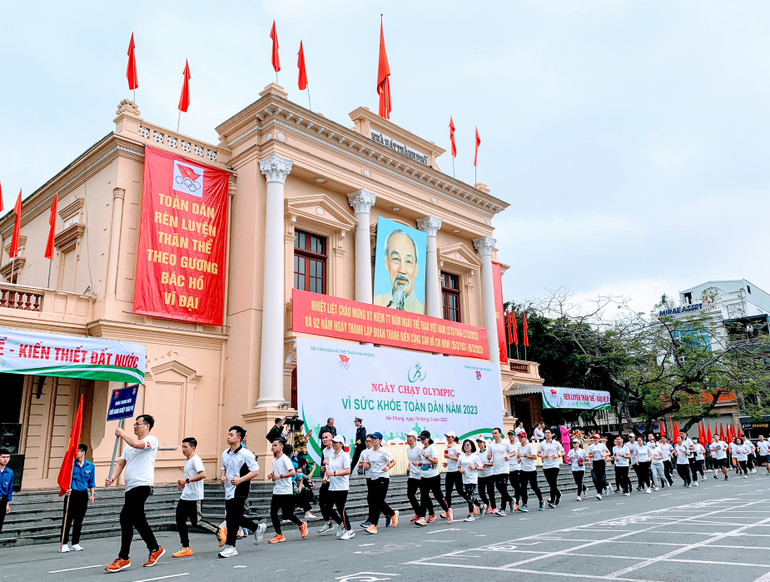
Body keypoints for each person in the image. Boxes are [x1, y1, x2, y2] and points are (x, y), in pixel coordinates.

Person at [104, 414, 164, 573]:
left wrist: (122, 434)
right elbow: (121, 462)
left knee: (125, 517)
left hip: (142, 485)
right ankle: (155, 548)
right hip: (130, 487)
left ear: (147, 426)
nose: (135, 427)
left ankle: (123, 557)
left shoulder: (151, 440)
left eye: (138, 424)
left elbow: (138, 444)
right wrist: (113, 477)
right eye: (134, 425)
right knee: (138, 520)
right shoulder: (129, 446)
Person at [218, 425, 265, 558]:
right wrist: (223, 477)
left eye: (231, 435)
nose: (228, 436)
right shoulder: (225, 453)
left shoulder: (246, 454)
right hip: (228, 489)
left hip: (241, 489)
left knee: (232, 518)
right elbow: (224, 468)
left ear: (239, 438)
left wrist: (240, 480)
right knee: (233, 517)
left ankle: (231, 546)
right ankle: (257, 528)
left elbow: (255, 471)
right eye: (228, 434)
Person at [171, 437, 219, 558]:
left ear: (193, 448)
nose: (183, 449)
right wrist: (183, 485)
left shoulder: (195, 460)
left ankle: (218, 531)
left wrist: (186, 480)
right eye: (182, 447)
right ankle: (186, 547)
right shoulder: (188, 461)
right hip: (186, 495)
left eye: (185, 447)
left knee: (196, 522)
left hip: (195, 496)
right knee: (180, 520)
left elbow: (203, 474)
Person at [373, 229, 424, 313]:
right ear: (386, 262)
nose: (402, 270)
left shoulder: (423, 312)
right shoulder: (376, 302)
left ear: (416, 269)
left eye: (408, 261)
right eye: (396, 259)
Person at [267, 439, 308, 543]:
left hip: (286, 490)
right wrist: (272, 476)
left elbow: (292, 473)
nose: (273, 447)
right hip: (277, 490)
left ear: (281, 447)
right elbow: (277, 474)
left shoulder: (285, 459)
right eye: (272, 445)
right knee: (273, 513)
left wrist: (280, 476)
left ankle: (301, 524)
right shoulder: (274, 460)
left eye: (275, 445)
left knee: (288, 514)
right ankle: (279, 535)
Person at [60, 444, 96, 552]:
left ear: (83, 452)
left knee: (79, 520)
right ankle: (64, 543)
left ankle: (75, 542)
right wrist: (65, 489)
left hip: (83, 494)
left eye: (78, 451)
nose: (76, 453)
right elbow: (64, 479)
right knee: (67, 519)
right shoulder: (70, 465)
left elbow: (91, 481)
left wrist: (92, 494)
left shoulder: (90, 465)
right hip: (72, 494)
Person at [360, 432, 397, 534]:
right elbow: (367, 463)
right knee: (372, 500)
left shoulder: (383, 452)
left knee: (377, 501)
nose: (372, 440)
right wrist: (365, 465)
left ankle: (373, 525)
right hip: (373, 478)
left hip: (383, 478)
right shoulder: (369, 452)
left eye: (375, 438)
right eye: (372, 438)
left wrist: (388, 467)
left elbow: (393, 461)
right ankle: (392, 513)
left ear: (380, 440)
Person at [415, 430, 450, 526]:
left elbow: (435, 461)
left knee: (438, 495)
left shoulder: (432, 448)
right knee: (424, 496)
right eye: (420, 439)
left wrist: (426, 457)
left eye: (423, 438)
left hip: (433, 476)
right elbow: (425, 462)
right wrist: (419, 463)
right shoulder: (423, 449)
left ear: (428, 439)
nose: (421, 440)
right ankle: (423, 517)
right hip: (424, 476)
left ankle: (447, 510)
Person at [324, 435, 355, 540]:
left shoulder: (345, 456)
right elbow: (330, 469)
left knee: (341, 509)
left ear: (341, 444)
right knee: (327, 508)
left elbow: (347, 471)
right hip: (332, 486)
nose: (333, 443)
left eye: (336, 442)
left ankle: (349, 530)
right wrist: (327, 476)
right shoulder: (331, 456)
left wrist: (334, 473)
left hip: (342, 486)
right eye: (333, 442)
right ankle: (341, 524)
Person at [487, 428, 514, 516]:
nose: (494, 435)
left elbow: (513, 452)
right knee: (499, 488)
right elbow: (489, 456)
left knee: (503, 488)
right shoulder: (491, 445)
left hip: (504, 469)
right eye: (493, 433)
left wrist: (509, 455)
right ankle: (510, 500)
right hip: (496, 470)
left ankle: (502, 509)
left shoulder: (505, 443)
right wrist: (489, 456)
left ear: (500, 434)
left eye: (495, 433)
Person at [457, 439, 483, 521]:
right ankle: (481, 506)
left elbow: (481, 467)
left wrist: (474, 467)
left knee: (470, 495)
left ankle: (471, 515)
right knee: (468, 496)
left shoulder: (475, 457)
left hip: (473, 478)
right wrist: (461, 470)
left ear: (471, 446)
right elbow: (458, 467)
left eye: (468, 445)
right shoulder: (461, 456)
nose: (466, 447)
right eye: (465, 445)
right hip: (465, 478)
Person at [517, 432, 544, 512]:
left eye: (522, 437)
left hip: (531, 470)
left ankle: (541, 501)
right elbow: (520, 456)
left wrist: (524, 455)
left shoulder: (529, 446)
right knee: (523, 488)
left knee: (534, 487)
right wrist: (520, 459)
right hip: (523, 470)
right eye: (519, 437)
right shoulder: (519, 447)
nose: (520, 439)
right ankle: (524, 504)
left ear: (525, 437)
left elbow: (535, 457)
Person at [538, 429, 564, 508]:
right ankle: (558, 493)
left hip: (554, 465)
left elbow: (563, 452)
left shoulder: (556, 443)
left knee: (553, 482)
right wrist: (543, 456)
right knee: (550, 483)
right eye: (546, 433)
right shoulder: (542, 444)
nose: (547, 434)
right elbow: (538, 453)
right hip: (546, 465)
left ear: (552, 434)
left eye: (548, 433)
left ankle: (552, 500)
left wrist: (558, 456)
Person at [405, 431, 427, 524]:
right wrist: (409, 467)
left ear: (414, 438)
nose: (408, 438)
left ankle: (427, 514)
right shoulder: (408, 449)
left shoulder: (419, 448)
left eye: (409, 437)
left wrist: (419, 463)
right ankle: (418, 513)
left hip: (421, 475)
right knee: (410, 494)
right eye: (407, 437)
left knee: (424, 496)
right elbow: (411, 460)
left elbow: (425, 460)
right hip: (413, 475)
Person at [316, 432, 336, 534]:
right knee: (321, 502)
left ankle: (342, 524)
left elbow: (339, 464)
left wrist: (330, 463)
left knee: (329, 505)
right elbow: (327, 465)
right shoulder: (324, 450)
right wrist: (324, 468)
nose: (324, 439)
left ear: (332, 438)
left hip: (334, 480)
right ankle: (328, 523)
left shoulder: (336, 450)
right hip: (326, 479)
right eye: (323, 438)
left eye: (326, 437)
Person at [443, 431, 467, 510]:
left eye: (449, 437)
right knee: (448, 492)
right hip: (450, 471)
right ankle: (448, 510)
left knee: (460, 491)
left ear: (453, 438)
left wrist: (450, 457)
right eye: (447, 436)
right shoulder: (447, 447)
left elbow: (460, 459)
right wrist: (447, 463)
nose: (447, 438)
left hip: (457, 472)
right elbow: (451, 460)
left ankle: (474, 502)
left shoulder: (456, 447)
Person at [588, 433, 610, 500]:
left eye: (596, 438)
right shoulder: (591, 446)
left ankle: (606, 487)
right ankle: (599, 492)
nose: (594, 439)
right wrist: (593, 455)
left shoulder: (602, 445)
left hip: (601, 461)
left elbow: (608, 452)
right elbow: (589, 455)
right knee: (596, 478)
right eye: (593, 438)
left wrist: (605, 455)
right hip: (595, 462)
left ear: (598, 439)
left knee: (601, 477)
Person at [476, 438, 495, 516]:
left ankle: (494, 507)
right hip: (481, 475)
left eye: (481, 442)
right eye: (478, 442)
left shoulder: (488, 453)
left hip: (489, 474)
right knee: (481, 493)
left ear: (484, 444)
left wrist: (486, 464)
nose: (479, 444)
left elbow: (493, 463)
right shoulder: (477, 454)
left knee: (490, 492)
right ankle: (487, 503)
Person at [506, 429, 522, 511]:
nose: (510, 436)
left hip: (517, 467)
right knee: (513, 484)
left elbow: (521, 453)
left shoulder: (518, 444)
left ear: (515, 436)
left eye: (512, 435)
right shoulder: (507, 445)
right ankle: (517, 500)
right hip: (509, 467)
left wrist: (520, 458)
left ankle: (516, 502)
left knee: (517, 486)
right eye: (509, 435)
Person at [0, 449, 12, 534]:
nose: (5, 459)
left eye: (8, 457)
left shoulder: (10, 472)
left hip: (2, 500)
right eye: (3, 457)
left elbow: (9, 489)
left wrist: (7, 504)